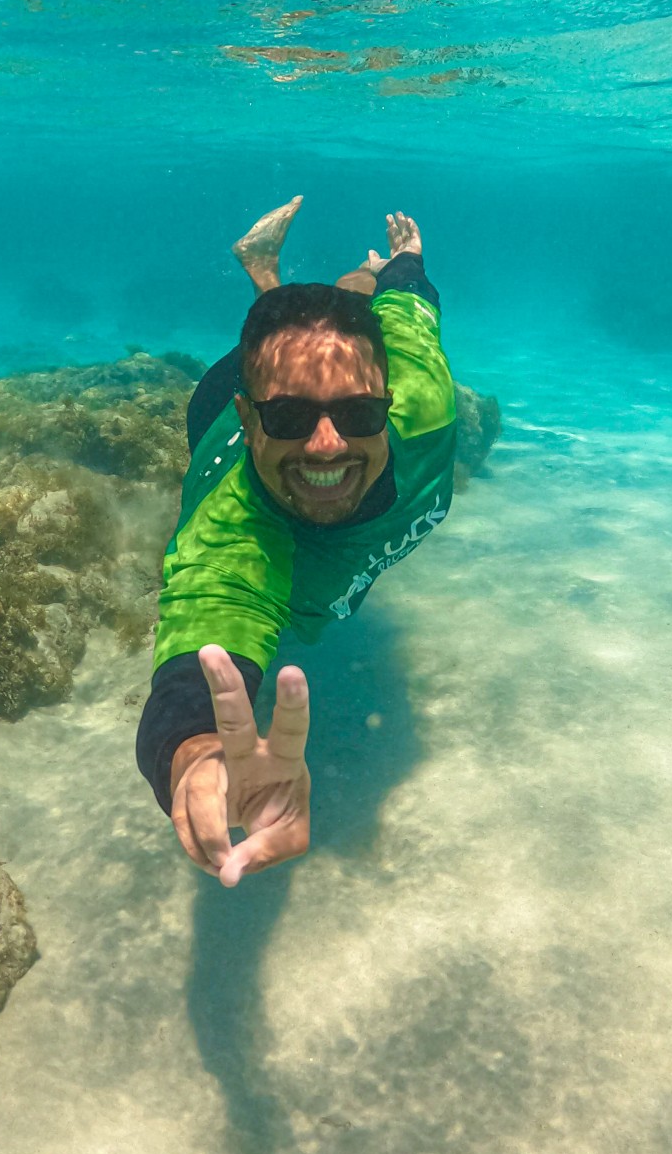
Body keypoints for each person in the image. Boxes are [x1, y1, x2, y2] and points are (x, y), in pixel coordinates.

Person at [135, 196, 457, 886]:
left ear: (389, 401)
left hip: (313, 369)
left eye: (359, 411)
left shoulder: (425, 407)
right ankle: (266, 301)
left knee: (358, 300)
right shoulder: (233, 530)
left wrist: (403, 263)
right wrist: (196, 759)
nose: (327, 445)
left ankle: (280, 280)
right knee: (288, 357)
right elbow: (196, 660)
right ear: (252, 421)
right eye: (287, 419)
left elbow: (409, 310)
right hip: (215, 412)